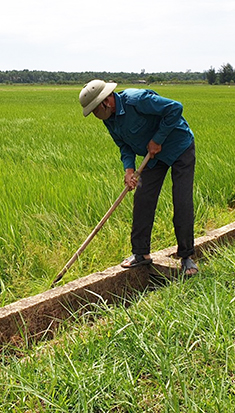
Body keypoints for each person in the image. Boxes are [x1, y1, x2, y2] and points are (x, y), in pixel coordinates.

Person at [79, 79, 199, 275]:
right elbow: (124, 145)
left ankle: (186, 257)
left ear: (106, 101)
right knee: (143, 198)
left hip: (179, 147)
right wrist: (129, 170)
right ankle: (141, 254)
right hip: (153, 157)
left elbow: (175, 108)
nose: (94, 114)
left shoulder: (137, 99)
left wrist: (157, 139)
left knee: (181, 200)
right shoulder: (109, 119)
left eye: (94, 109)